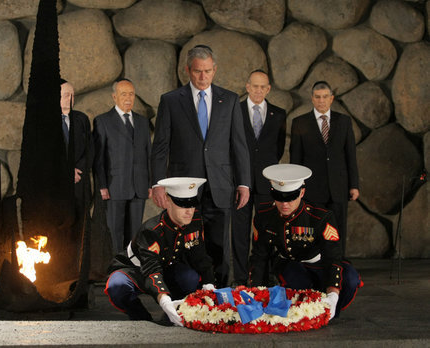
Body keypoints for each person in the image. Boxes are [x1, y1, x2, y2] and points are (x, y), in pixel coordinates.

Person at [151, 45, 251, 287]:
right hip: (183, 190)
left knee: (219, 247)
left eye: (207, 71)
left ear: (214, 70)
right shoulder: (171, 101)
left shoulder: (229, 100)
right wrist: (156, 184)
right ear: (187, 70)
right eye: (197, 71)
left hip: (220, 186)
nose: (203, 77)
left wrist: (244, 183)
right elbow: (160, 147)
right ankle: (187, 299)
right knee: (184, 246)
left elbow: (239, 145)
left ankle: (220, 299)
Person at [248, 164, 362, 319]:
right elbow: (259, 256)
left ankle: (330, 311)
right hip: (290, 265)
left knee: (349, 279)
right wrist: (254, 292)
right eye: (279, 198)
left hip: (320, 264)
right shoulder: (264, 215)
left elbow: (333, 257)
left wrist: (333, 294)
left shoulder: (321, 217)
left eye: (290, 197)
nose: (284, 204)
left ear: (302, 192)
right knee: (297, 294)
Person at [105, 177, 215, 326]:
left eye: (192, 205)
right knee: (117, 287)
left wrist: (209, 284)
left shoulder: (194, 221)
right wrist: (163, 300)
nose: (189, 211)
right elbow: (151, 270)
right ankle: (143, 320)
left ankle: (171, 315)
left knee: (191, 278)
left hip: (166, 266)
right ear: (168, 201)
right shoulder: (151, 230)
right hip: (134, 269)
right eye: (182, 205)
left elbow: (200, 257)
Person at [290, 81, 359, 255]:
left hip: (338, 187)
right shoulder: (300, 122)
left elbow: (350, 156)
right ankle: (315, 268)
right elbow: (295, 160)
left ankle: (337, 268)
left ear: (331, 99)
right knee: (312, 231)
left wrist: (354, 185)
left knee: (338, 230)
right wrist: (297, 188)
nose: (321, 101)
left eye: (325, 97)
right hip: (312, 189)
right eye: (318, 97)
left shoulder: (344, 121)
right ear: (312, 99)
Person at [231, 69, 286, 286]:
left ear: (269, 89)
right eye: (255, 86)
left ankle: (262, 278)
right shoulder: (235, 111)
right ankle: (241, 278)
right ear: (247, 86)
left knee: (265, 233)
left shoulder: (279, 114)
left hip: (266, 183)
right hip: (240, 183)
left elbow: (278, 149)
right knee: (240, 234)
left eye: (263, 86)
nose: (258, 90)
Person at [93, 78, 151, 254]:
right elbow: (99, 158)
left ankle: (132, 271)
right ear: (114, 97)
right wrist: (102, 185)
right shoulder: (102, 121)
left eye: (131, 94)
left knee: (135, 234)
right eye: (123, 94)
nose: (128, 98)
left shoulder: (142, 122)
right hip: (114, 186)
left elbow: (148, 154)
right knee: (115, 234)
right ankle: (117, 271)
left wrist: (150, 184)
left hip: (139, 186)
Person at [60, 79, 93, 223]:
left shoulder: (82, 119)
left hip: (80, 182)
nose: (71, 99)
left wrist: (78, 169)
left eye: (73, 95)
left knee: (81, 224)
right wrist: (67, 171)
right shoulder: (43, 121)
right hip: (56, 184)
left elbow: (90, 148)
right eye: (67, 95)